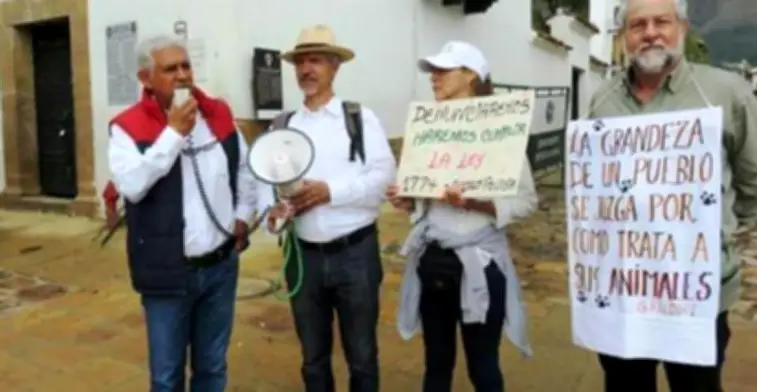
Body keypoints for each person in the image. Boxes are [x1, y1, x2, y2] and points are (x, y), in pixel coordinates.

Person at [588, 0, 757, 391]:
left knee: (696, 386)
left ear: (682, 27)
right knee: (625, 384)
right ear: (624, 36)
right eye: (637, 24)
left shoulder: (726, 92)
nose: (650, 33)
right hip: (623, 289)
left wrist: (715, 225)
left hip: (697, 291)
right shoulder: (602, 98)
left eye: (661, 21)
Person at [106, 35, 257, 392]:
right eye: (170, 69)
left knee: (212, 368)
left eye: (186, 65)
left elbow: (245, 169)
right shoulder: (126, 127)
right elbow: (132, 185)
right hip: (166, 273)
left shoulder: (217, 113)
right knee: (166, 375)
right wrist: (173, 133)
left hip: (220, 269)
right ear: (146, 78)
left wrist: (242, 214)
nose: (183, 75)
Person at [389, 41, 535, 392]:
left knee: (483, 365)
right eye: (432, 71)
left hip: (481, 263)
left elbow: (527, 200)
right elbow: (421, 201)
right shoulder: (426, 129)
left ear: (471, 75)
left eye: (444, 70)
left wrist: (478, 204)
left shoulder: (501, 130)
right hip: (434, 258)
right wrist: (408, 199)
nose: (434, 78)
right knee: (436, 363)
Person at [258, 25, 396, 392]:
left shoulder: (359, 119)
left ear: (335, 67)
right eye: (300, 62)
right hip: (303, 257)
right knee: (313, 358)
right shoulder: (282, 125)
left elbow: (384, 177)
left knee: (362, 355)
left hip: (355, 255)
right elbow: (267, 186)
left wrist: (329, 192)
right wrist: (273, 217)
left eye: (315, 60)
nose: (306, 69)